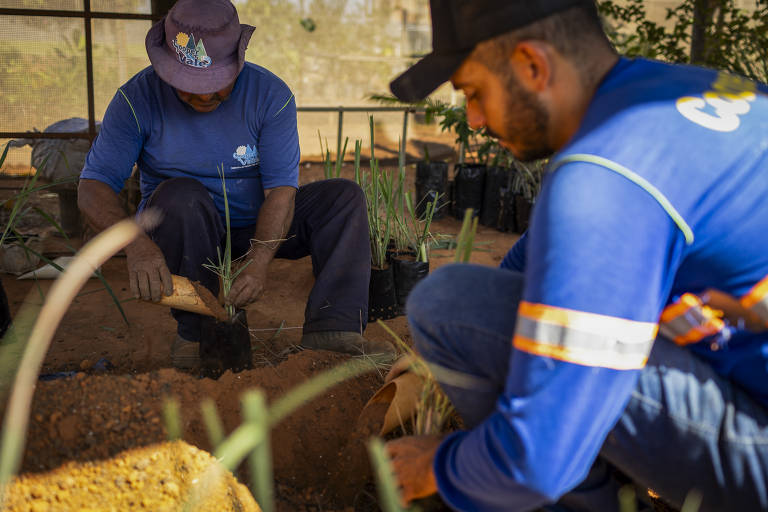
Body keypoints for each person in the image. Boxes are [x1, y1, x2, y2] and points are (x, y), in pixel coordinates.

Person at [385, 1, 768, 510]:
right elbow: (528, 267)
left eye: (474, 92)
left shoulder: (607, 176)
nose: (473, 120)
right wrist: (439, 354)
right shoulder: (678, 92)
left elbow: (538, 462)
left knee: (448, 306)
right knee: (467, 309)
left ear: (532, 65)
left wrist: (439, 465)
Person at [78, 0, 394, 369]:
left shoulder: (270, 96)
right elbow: (92, 186)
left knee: (343, 198)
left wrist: (259, 261)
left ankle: (333, 331)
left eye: (217, 83)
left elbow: (281, 192)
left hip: (257, 227)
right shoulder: (136, 99)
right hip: (184, 229)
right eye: (187, 85)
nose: (204, 95)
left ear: (238, 61)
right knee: (181, 196)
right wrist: (137, 246)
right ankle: (198, 337)